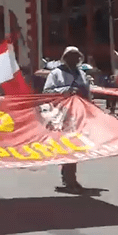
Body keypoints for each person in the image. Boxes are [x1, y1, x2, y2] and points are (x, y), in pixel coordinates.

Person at [43, 46, 91, 191]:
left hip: (79, 114)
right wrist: (66, 90)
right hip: (62, 114)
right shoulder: (56, 73)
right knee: (67, 145)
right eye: (71, 56)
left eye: (76, 56)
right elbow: (47, 92)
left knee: (76, 146)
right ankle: (69, 179)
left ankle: (70, 177)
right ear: (65, 57)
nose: (74, 59)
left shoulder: (81, 74)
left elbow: (87, 93)